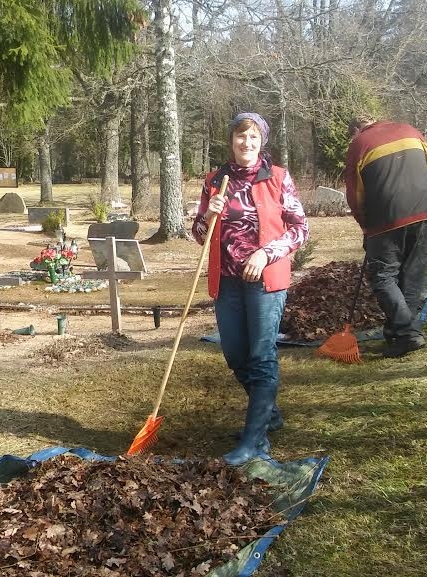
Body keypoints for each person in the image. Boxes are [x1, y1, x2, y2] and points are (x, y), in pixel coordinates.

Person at [192, 112, 309, 465]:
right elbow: (200, 234)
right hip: (227, 280)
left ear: (262, 142)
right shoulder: (215, 181)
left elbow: (300, 228)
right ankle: (268, 415)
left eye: (254, 136)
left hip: (265, 281)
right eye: (241, 135)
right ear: (231, 140)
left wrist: (265, 253)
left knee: (261, 357)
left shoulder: (277, 178)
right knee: (235, 355)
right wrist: (207, 217)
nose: (247, 142)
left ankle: (254, 441)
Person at [344, 114, 427, 359]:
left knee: (383, 277)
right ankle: (399, 335)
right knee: (412, 275)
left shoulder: (359, 144)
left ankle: (407, 333)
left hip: (385, 219)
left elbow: (355, 195)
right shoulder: (410, 130)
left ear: (356, 130)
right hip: (424, 212)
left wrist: (365, 225)